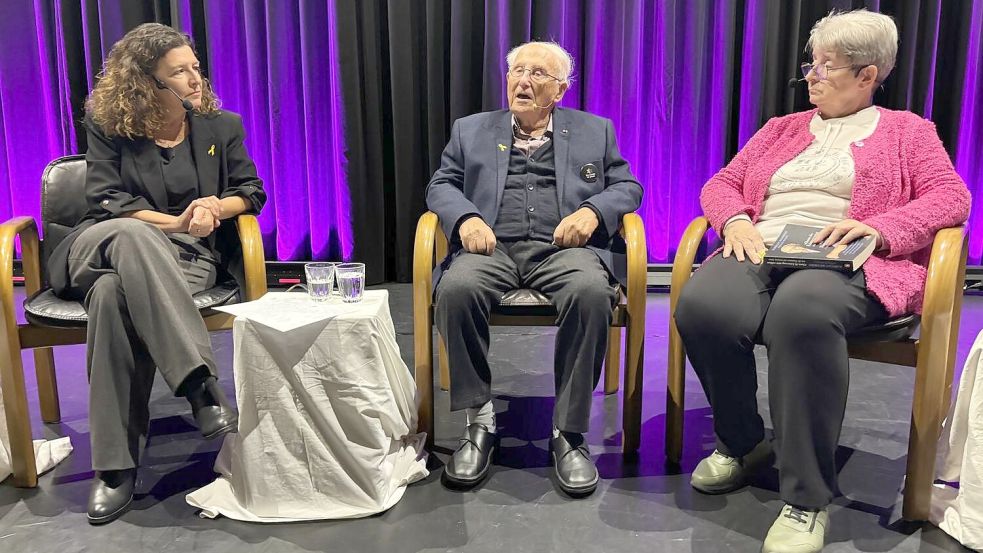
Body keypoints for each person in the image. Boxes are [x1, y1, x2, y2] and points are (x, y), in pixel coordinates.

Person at [673, 9, 971, 552]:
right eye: (810, 64)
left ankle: (807, 499)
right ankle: (741, 441)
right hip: (761, 246)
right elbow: (723, 182)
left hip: (850, 261)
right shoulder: (779, 130)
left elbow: (951, 198)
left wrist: (879, 229)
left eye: (826, 67)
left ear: (867, 75)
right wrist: (735, 218)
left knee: (802, 311)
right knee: (704, 305)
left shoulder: (908, 131)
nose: (810, 76)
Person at [47, 23, 266, 524]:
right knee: (131, 235)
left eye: (194, 67)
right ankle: (198, 385)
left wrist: (216, 204)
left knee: (110, 298)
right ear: (147, 83)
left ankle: (114, 468)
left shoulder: (220, 126)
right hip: (99, 245)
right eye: (179, 72)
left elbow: (251, 191)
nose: (194, 79)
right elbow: (107, 200)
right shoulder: (109, 125)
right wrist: (175, 221)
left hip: (182, 263)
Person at [426, 41, 642, 497]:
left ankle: (569, 432)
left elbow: (627, 186)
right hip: (491, 249)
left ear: (560, 89)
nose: (523, 81)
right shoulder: (471, 130)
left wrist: (593, 212)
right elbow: (441, 183)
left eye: (538, 74)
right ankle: (479, 422)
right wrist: (465, 218)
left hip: (563, 252)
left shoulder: (594, 130)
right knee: (456, 289)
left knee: (590, 292)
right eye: (517, 71)